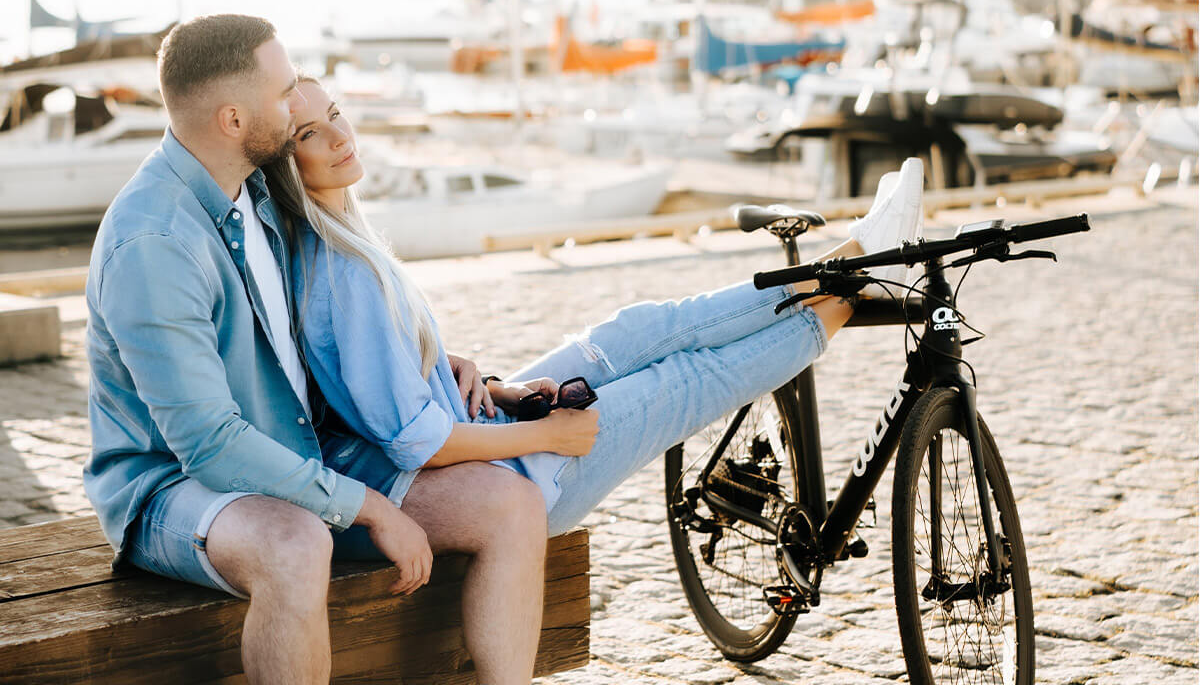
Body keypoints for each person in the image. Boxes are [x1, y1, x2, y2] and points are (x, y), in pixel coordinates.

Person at [262, 75, 927, 684]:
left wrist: (482, 380)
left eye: (336, 113)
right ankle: (850, 283)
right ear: (285, 164)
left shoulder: (344, 238)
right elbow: (416, 442)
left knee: (638, 332)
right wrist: (548, 431)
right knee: (684, 379)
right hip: (501, 469)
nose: (340, 136)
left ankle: (850, 261)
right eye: (308, 134)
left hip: (481, 421)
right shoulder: (337, 272)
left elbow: (377, 386)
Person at [84, 15, 539, 685]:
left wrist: (432, 358)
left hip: (302, 451)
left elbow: (326, 322)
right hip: (173, 487)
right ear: (234, 119)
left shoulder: (255, 187)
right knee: (297, 545)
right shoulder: (155, 242)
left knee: (510, 503)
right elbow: (207, 444)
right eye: (284, 91)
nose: (297, 102)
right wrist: (370, 507)